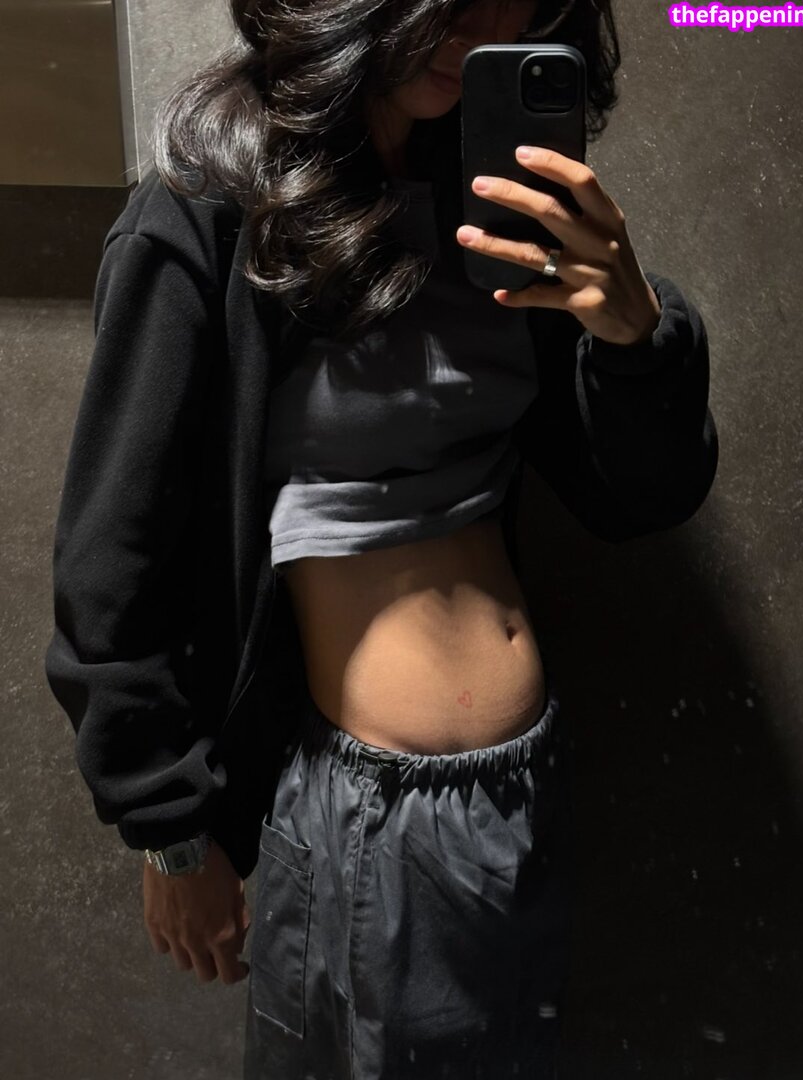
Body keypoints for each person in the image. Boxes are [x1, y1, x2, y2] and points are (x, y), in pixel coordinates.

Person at [45, 0, 719, 1076]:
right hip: (370, 818)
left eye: (511, 1)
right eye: (449, 1)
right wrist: (167, 828)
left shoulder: (493, 200)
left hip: (528, 789)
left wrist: (633, 336)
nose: (478, 30)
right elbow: (109, 560)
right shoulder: (213, 203)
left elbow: (637, 498)